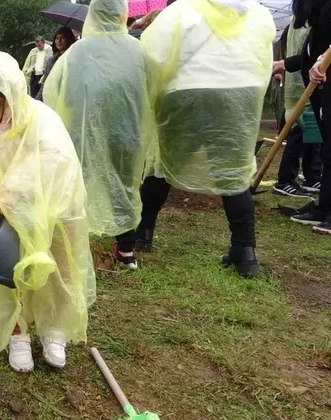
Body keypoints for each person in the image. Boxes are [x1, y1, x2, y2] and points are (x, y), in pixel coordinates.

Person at [0, 50, 95, 373]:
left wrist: (4, 200)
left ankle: (54, 330)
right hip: (12, 216)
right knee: (12, 272)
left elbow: (50, 166)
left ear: (6, 96)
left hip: (57, 210)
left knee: (58, 269)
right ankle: (18, 332)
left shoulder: (41, 121)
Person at [138, 0, 275, 277]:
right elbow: (264, 58)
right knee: (232, 171)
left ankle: (142, 234)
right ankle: (245, 251)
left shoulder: (183, 10)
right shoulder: (257, 13)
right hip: (241, 93)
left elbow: (153, 53)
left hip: (188, 90)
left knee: (164, 162)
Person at [44, 0, 156, 270]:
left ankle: (77, 243)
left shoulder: (77, 52)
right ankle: (127, 249)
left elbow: (53, 91)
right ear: (123, 15)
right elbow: (153, 89)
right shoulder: (139, 50)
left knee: (81, 182)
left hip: (85, 132)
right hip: (128, 134)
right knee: (125, 184)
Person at [272, 0, 331, 234]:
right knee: (327, 150)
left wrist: (322, 60)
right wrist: (284, 63)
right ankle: (324, 207)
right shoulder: (319, 16)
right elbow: (311, 54)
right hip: (321, 93)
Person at [272, 21, 323, 199]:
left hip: (303, 82)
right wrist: (284, 64)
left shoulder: (301, 18)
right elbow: (308, 53)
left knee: (313, 134)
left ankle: (312, 176)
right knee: (300, 133)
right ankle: (285, 180)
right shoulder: (309, 19)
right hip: (304, 83)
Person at [35, 27, 76, 100]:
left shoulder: (74, 59)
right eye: (57, 38)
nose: (59, 41)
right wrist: (37, 102)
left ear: (69, 39)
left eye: (62, 38)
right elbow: (45, 83)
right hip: (52, 99)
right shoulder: (51, 61)